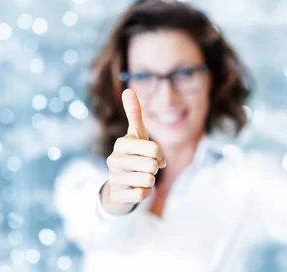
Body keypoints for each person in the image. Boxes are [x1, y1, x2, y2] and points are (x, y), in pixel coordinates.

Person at [53, 1, 287, 271]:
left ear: (215, 78)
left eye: (185, 73)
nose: (167, 98)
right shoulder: (82, 180)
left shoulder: (251, 178)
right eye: (144, 76)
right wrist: (117, 196)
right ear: (122, 85)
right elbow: (98, 230)